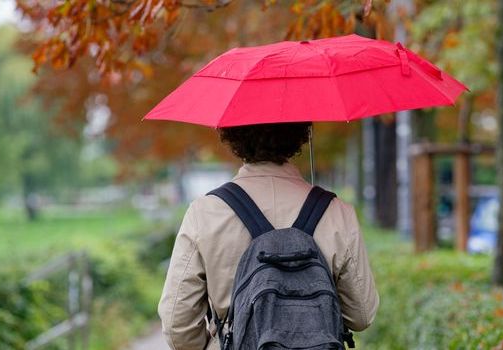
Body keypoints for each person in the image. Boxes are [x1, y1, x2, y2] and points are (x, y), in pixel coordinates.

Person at [158, 122, 379, 350]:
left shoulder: (205, 213)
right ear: (300, 132)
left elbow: (177, 326)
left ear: (233, 134)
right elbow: (361, 316)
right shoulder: (336, 211)